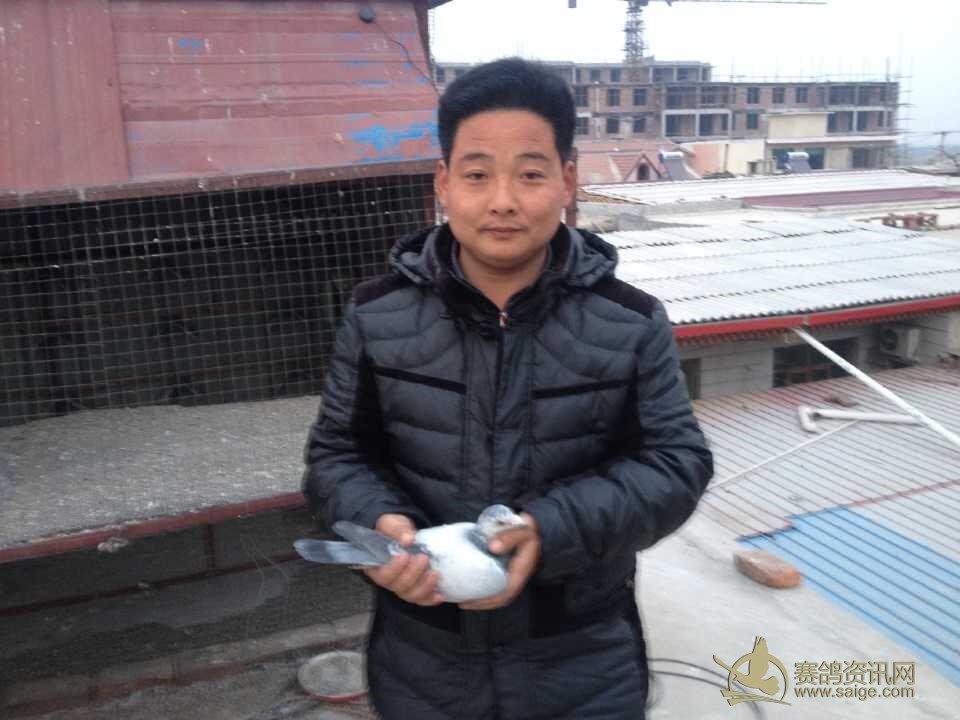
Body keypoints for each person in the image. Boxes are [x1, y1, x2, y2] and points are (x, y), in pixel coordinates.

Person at [303, 57, 713, 720]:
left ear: (567, 181)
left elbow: (678, 464)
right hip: (424, 659)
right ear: (443, 182)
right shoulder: (376, 315)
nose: (502, 200)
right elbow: (336, 457)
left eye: (529, 173)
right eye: (477, 174)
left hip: (582, 661)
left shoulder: (631, 322)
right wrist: (380, 526)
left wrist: (551, 530)